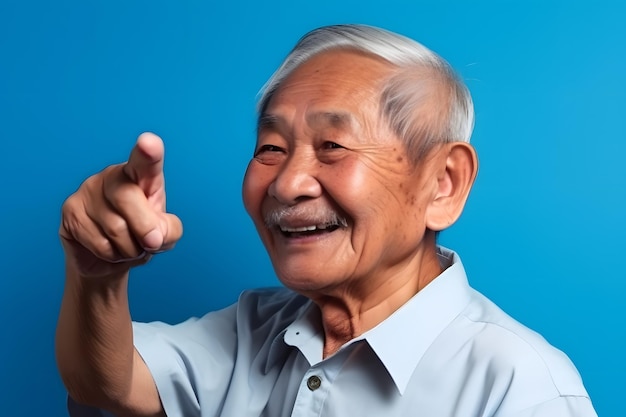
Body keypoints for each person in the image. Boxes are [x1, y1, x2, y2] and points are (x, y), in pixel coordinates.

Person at [56, 24, 597, 417]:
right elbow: (106, 382)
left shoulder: (520, 387)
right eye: (271, 147)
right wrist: (97, 274)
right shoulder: (253, 329)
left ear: (443, 183)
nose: (287, 183)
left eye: (333, 145)